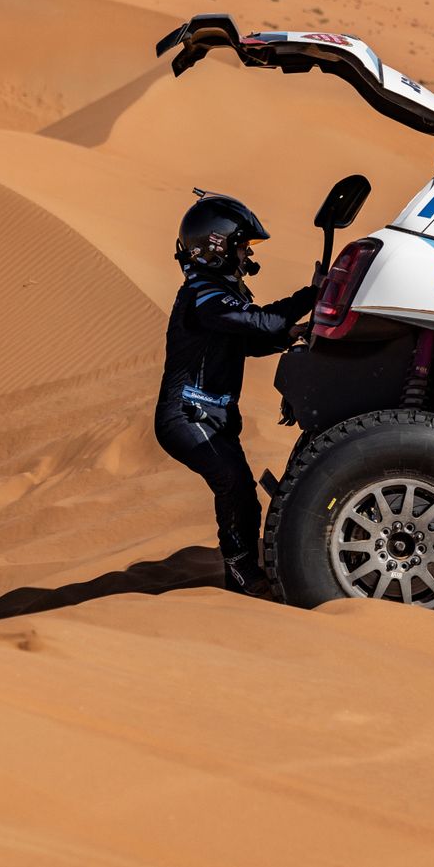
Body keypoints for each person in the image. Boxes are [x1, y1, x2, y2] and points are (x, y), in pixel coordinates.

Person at [154, 192, 317, 596]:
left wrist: (290, 334)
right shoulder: (202, 294)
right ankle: (243, 575)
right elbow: (258, 322)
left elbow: (246, 341)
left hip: (214, 417)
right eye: (243, 246)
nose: (248, 255)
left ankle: (241, 577)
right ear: (218, 246)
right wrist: (312, 295)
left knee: (244, 496)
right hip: (186, 416)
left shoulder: (213, 294)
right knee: (234, 485)